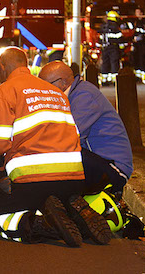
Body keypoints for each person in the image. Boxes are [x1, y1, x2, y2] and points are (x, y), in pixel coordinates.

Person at [0, 47, 111, 247]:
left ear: (1, 68)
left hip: (33, 181)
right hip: (73, 180)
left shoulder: (5, 91)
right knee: (44, 198)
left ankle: (40, 223)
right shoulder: (56, 93)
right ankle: (71, 209)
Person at [38, 61, 133, 197]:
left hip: (114, 169)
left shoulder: (84, 96)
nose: (43, 91)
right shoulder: (70, 96)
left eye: (45, 85)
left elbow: (68, 137)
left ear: (63, 82)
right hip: (100, 161)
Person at [99, 11, 124, 85]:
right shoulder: (115, 27)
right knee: (114, 62)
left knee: (105, 62)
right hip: (113, 47)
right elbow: (119, 39)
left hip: (105, 48)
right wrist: (122, 48)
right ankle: (114, 79)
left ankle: (104, 79)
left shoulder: (103, 26)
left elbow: (100, 39)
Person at [130, 7, 145, 83]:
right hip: (136, 45)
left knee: (142, 60)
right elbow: (133, 32)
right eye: (136, 12)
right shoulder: (135, 22)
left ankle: (144, 76)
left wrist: (142, 36)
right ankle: (137, 77)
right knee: (136, 60)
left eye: (138, 12)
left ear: (141, 13)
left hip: (143, 44)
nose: (136, 14)